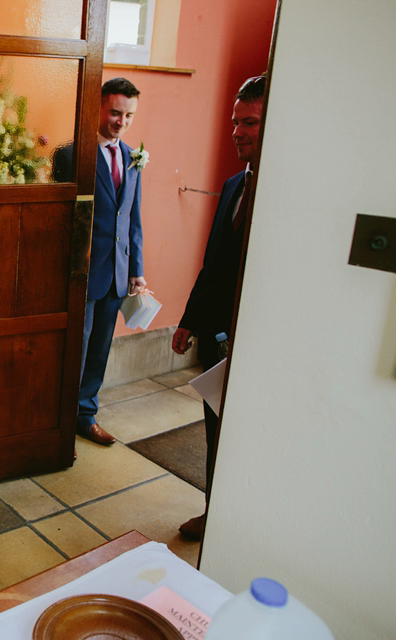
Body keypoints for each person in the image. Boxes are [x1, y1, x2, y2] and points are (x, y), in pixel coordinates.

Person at [172, 74, 266, 540]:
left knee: (252, 441)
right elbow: (214, 263)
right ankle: (215, 512)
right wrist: (190, 320)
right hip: (218, 340)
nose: (236, 132)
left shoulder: (287, 196)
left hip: (262, 344)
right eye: (235, 121)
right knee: (215, 431)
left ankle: (246, 523)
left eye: (249, 122)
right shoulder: (233, 184)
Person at [52, 77, 146, 448]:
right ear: (99, 107)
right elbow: (61, 219)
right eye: (115, 112)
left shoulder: (133, 157)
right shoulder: (72, 154)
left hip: (117, 275)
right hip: (82, 271)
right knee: (76, 346)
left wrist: (137, 270)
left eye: (129, 115)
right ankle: (58, 420)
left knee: (100, 349)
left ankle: (85, 416)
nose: (121, 121)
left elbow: (134, 218)